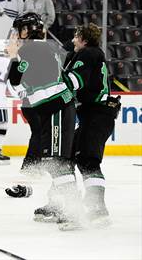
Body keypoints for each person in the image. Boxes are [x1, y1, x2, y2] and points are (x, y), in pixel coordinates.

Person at [6, 12, 80, 230]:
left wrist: (12, 56)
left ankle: (73, 211)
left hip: (55, 109)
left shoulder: (30, 49)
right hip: (55, 109)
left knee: (56, 162)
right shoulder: (45, 47)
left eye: (19, 29)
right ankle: (58, 205)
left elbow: (14, 83)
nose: (16, 34)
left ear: (27, 31)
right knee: (54, 161)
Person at [62, 23, 121, 226]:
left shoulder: (87, 53)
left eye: (76, 36)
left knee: (88, 161)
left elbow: (74, 82)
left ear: (84, 40)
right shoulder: (92, 53)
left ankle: (98, 210)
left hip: (98, 114)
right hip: (95, 114)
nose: (73, 40)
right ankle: (65, 204)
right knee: (69, 155)